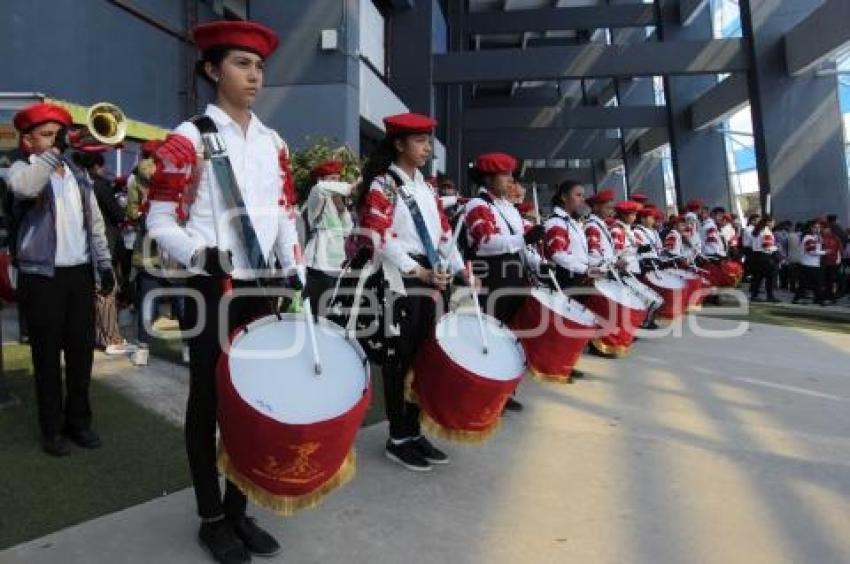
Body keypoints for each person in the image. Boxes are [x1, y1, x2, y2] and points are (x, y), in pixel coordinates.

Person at [146, 21, 299, 563]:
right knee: (208, 400)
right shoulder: (186, 138)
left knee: (255, 398)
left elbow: (285, 212)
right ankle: (211, 518)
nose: (254, 75)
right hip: (213, 285)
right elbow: (160, 219)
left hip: (263, 286)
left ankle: (238, 509)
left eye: (258, 66)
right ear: (212, 70)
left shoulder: (273, 142)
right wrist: (199, 254)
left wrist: (293, 267)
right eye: (241, 64)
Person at [357, 111, 471, 472]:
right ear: (399, 143)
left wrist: (459, 271)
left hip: (430, 276)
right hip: (399, 279)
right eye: (420, 141)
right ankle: (398, 437)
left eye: (427, 141)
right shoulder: (383, 185)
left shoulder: (427, 186)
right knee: (398, 359)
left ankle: (415, 429)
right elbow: (377, 235)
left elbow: (444, 235)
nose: (426, 148)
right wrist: (416, 269)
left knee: (425, 357)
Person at [7, 102, 115, 456]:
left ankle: (78, 423)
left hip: (79, 275)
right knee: (47, 357)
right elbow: (24, 189)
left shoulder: (79, 174)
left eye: (59, 133)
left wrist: (105, 266)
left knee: (82, 355)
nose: (58, 140)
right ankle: (51, 430)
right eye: (48, 135)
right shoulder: (19, 168)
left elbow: (95, 224)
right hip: (41, 278)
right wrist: (55, 153)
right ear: (28, 140)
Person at [464, 153, 548, 406]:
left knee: (511, 335)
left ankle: (504, 391)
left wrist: (537, 262)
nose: (511, 180)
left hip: (514, 275)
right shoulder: (477, 205)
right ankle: (486, 394)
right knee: (492, 334)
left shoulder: (507, 207)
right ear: (488, 177)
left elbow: (522, 242)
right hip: (493, 275)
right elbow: (487, 242)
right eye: (506, 175)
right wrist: (526, 238)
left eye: (512, 175)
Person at [77, 151, 134, 355]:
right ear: (97, 166)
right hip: (103, 243)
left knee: (92, 293)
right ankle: (111, 339)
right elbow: (117, 214)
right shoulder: (98, 184)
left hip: (80, 246)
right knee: (107, 291)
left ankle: (98, 336)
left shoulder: (75, 181)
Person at [303, 160, 353, 317]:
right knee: (318, 311)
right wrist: (351, 186)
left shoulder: (336, 203)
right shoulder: (316, 196)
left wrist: (342, 209)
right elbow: (321, 188)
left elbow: (348, 230)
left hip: (337, 264)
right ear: (321, 180)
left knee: (332, 313)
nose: (336, 183)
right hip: (319, 265)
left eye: (338, 179)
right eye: (332, 179)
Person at [793, 220, 826, 305]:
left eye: (819, 227)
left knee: (806, 283)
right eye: (815, 227)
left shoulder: (814, 237)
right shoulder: (809, 237)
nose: (818, 229)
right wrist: (825, 252)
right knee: (816, 283)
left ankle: (798, 298)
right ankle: (819, 299)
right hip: (809, 264)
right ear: (810, 228)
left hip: (811, 263)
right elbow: (811, 251)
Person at [749, 215, 780, 303]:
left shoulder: (757, 230)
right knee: (770, 277)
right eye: (773, 222)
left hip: (756, 255)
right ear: (768, 222)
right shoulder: (767, 232)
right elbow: (766, 245)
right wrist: (776, 249)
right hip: (765, 256)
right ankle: (770, 296)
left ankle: (754, 296)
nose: (774, 224)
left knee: (758, 277)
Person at [821, 224, 841, 303]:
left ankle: (829, 296)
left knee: (828, 280)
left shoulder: (826, 238)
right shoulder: (835, 238)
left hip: (829, 262)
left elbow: (839, 250)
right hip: (831, 262)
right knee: (829, 280)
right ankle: (830, 296)